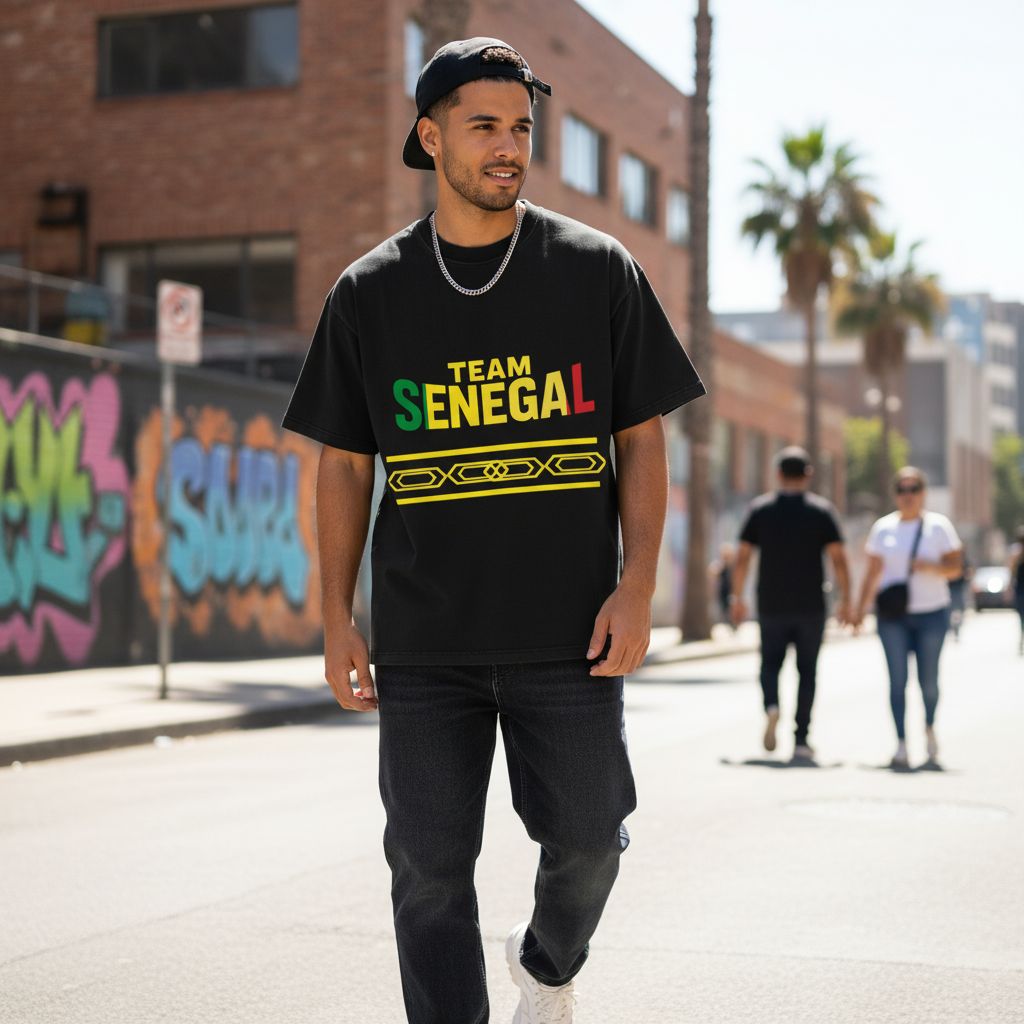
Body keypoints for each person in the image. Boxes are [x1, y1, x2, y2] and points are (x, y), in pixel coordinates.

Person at [282, 38, 705, 1024]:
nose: (509, 146)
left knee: (594, 835)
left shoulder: (596, 269)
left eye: (520, 126)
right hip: (426, 644)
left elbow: (641, 442)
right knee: (426, 868)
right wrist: (337, 618)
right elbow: (343, 465)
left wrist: (637, 582)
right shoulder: (368, 293)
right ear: (429, 137)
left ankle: (549, 960)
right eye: (484, 126)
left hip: (572, 635)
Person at [730, 447, 851, 760]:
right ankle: (801, 740)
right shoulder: (822, 511)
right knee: (807, 672)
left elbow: (743, 557)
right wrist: (846, 600)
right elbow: (839, 559)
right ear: (808, 474)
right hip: (811, 605)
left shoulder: (761, 509)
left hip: (771, 603)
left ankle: (772, 706)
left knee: (770, 665)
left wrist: (737, 597)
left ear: (778, 474)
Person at [853, 467, 963, 768]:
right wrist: (859, 610)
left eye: (914, 488)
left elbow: (956, 568)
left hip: (931, 613)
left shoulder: (939, 527)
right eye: (902, 489)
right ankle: (901, 743)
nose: (908, 495)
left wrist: (932, 567)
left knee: (928, 682)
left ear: (923, 493)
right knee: (897, 681)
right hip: (893, 616)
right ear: (895, 494)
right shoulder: (883, 528)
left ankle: (929, 727)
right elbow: (873, 571)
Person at [709, 542, 737, 629]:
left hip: (731, 590)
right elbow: (712, 573)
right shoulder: (721, 565)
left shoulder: (733, 566)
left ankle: (734, 623)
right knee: (724, 608)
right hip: (723, 591)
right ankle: (730, 623)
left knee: (730, 607)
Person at [1009, 526, 1024, 655]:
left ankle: (1022, 638)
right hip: (1020, 590)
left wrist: (1008, 589)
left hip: (1020, 591)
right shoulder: (1016, 554)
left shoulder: (1016, 554)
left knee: (1022, 618)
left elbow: (1011, 573)